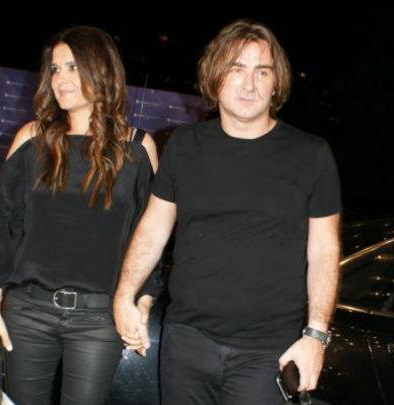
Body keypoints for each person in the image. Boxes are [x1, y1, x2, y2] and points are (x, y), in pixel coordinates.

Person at [114, 19, 342, 405]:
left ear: (276, 83)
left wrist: (316, 336)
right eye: (237, 69)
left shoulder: (311, 155)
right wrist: (124, 295)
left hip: (268, 353)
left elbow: (324, 249)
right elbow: (153, 227)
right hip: (186, 342)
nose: (249, 84)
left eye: (262, 72)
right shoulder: (184, 145)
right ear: (215, 77)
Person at [0, 25, 159, 405]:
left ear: (101, 70)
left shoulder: (138, 148)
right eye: (55, 69)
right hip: (28, 310)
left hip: (99, 317)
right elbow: (2, 224)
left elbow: (148, 235)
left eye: (73, 67)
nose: (60, 79)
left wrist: (141, 304)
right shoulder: (32, 139)